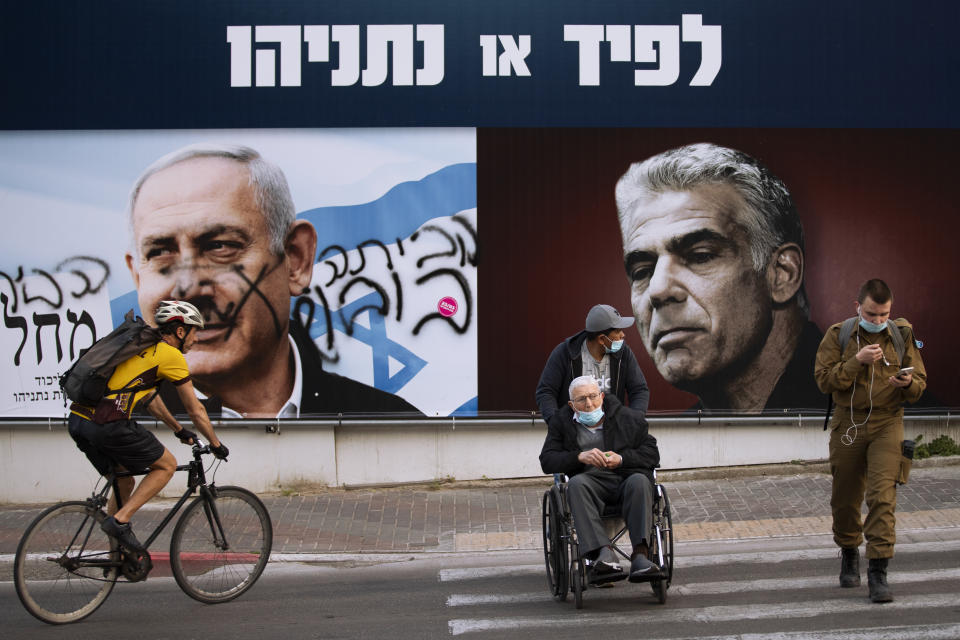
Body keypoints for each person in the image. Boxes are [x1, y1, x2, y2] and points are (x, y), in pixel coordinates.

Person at [125, 142, 417, 418]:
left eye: (220, 246)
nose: (186, 288)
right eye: (160, 252)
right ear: (137, 277)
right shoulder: (108, 434)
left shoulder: (394, 428)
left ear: (295, 259)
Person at [614, 142, 823, 413]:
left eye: (700, 255)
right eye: (642, 271)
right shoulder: (674, 446)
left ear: (782, 274)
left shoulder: (871, 408)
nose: (658, 290)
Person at [68, 300, 228, 552]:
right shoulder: (170, 355)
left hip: (79, 421)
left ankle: (115, 555)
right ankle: (120, 521)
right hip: (109, 423)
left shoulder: (140, 348)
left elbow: (149, 398)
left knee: (124, 481)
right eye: (194, 331)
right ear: (180, 331)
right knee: (166, 466)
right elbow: (195, 409)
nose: (195, 339)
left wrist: (178, 430)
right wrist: (216, 444)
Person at [814, 279, 926, 603]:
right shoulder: (840, 334)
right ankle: (849, 550)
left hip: (887, 422)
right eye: (871, 313)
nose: (877, 320)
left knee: (882, 496)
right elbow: (824, 380)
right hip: (848, 422)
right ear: (858, 306)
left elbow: (919, 383)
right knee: (845, 498)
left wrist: (907, 383)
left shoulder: (901, 334)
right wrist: (856, 360)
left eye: (883, 314)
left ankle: (878, 570)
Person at [539, 375, 661, 584]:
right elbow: (547, 460)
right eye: (581, 400)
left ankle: (641, 555)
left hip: (625, 478)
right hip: (589, 482)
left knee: (641, 481)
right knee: (575, 485)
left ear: (602, 396)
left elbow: (652, 454)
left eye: (593, 396)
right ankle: (603, 554)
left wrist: (621, 459)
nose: (588, 404)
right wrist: (577, 456)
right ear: (571, 404)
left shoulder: (626, 418)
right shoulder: (561, 422)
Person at [536, 304, 650, 430]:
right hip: (573, 436)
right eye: (617, 331)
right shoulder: (565, 353)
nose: (623, 335)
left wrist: (633, 422)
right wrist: (559, 426)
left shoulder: (623, 354)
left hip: (612, 434)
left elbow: (639, 390)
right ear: (602, 339)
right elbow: (546, 392)